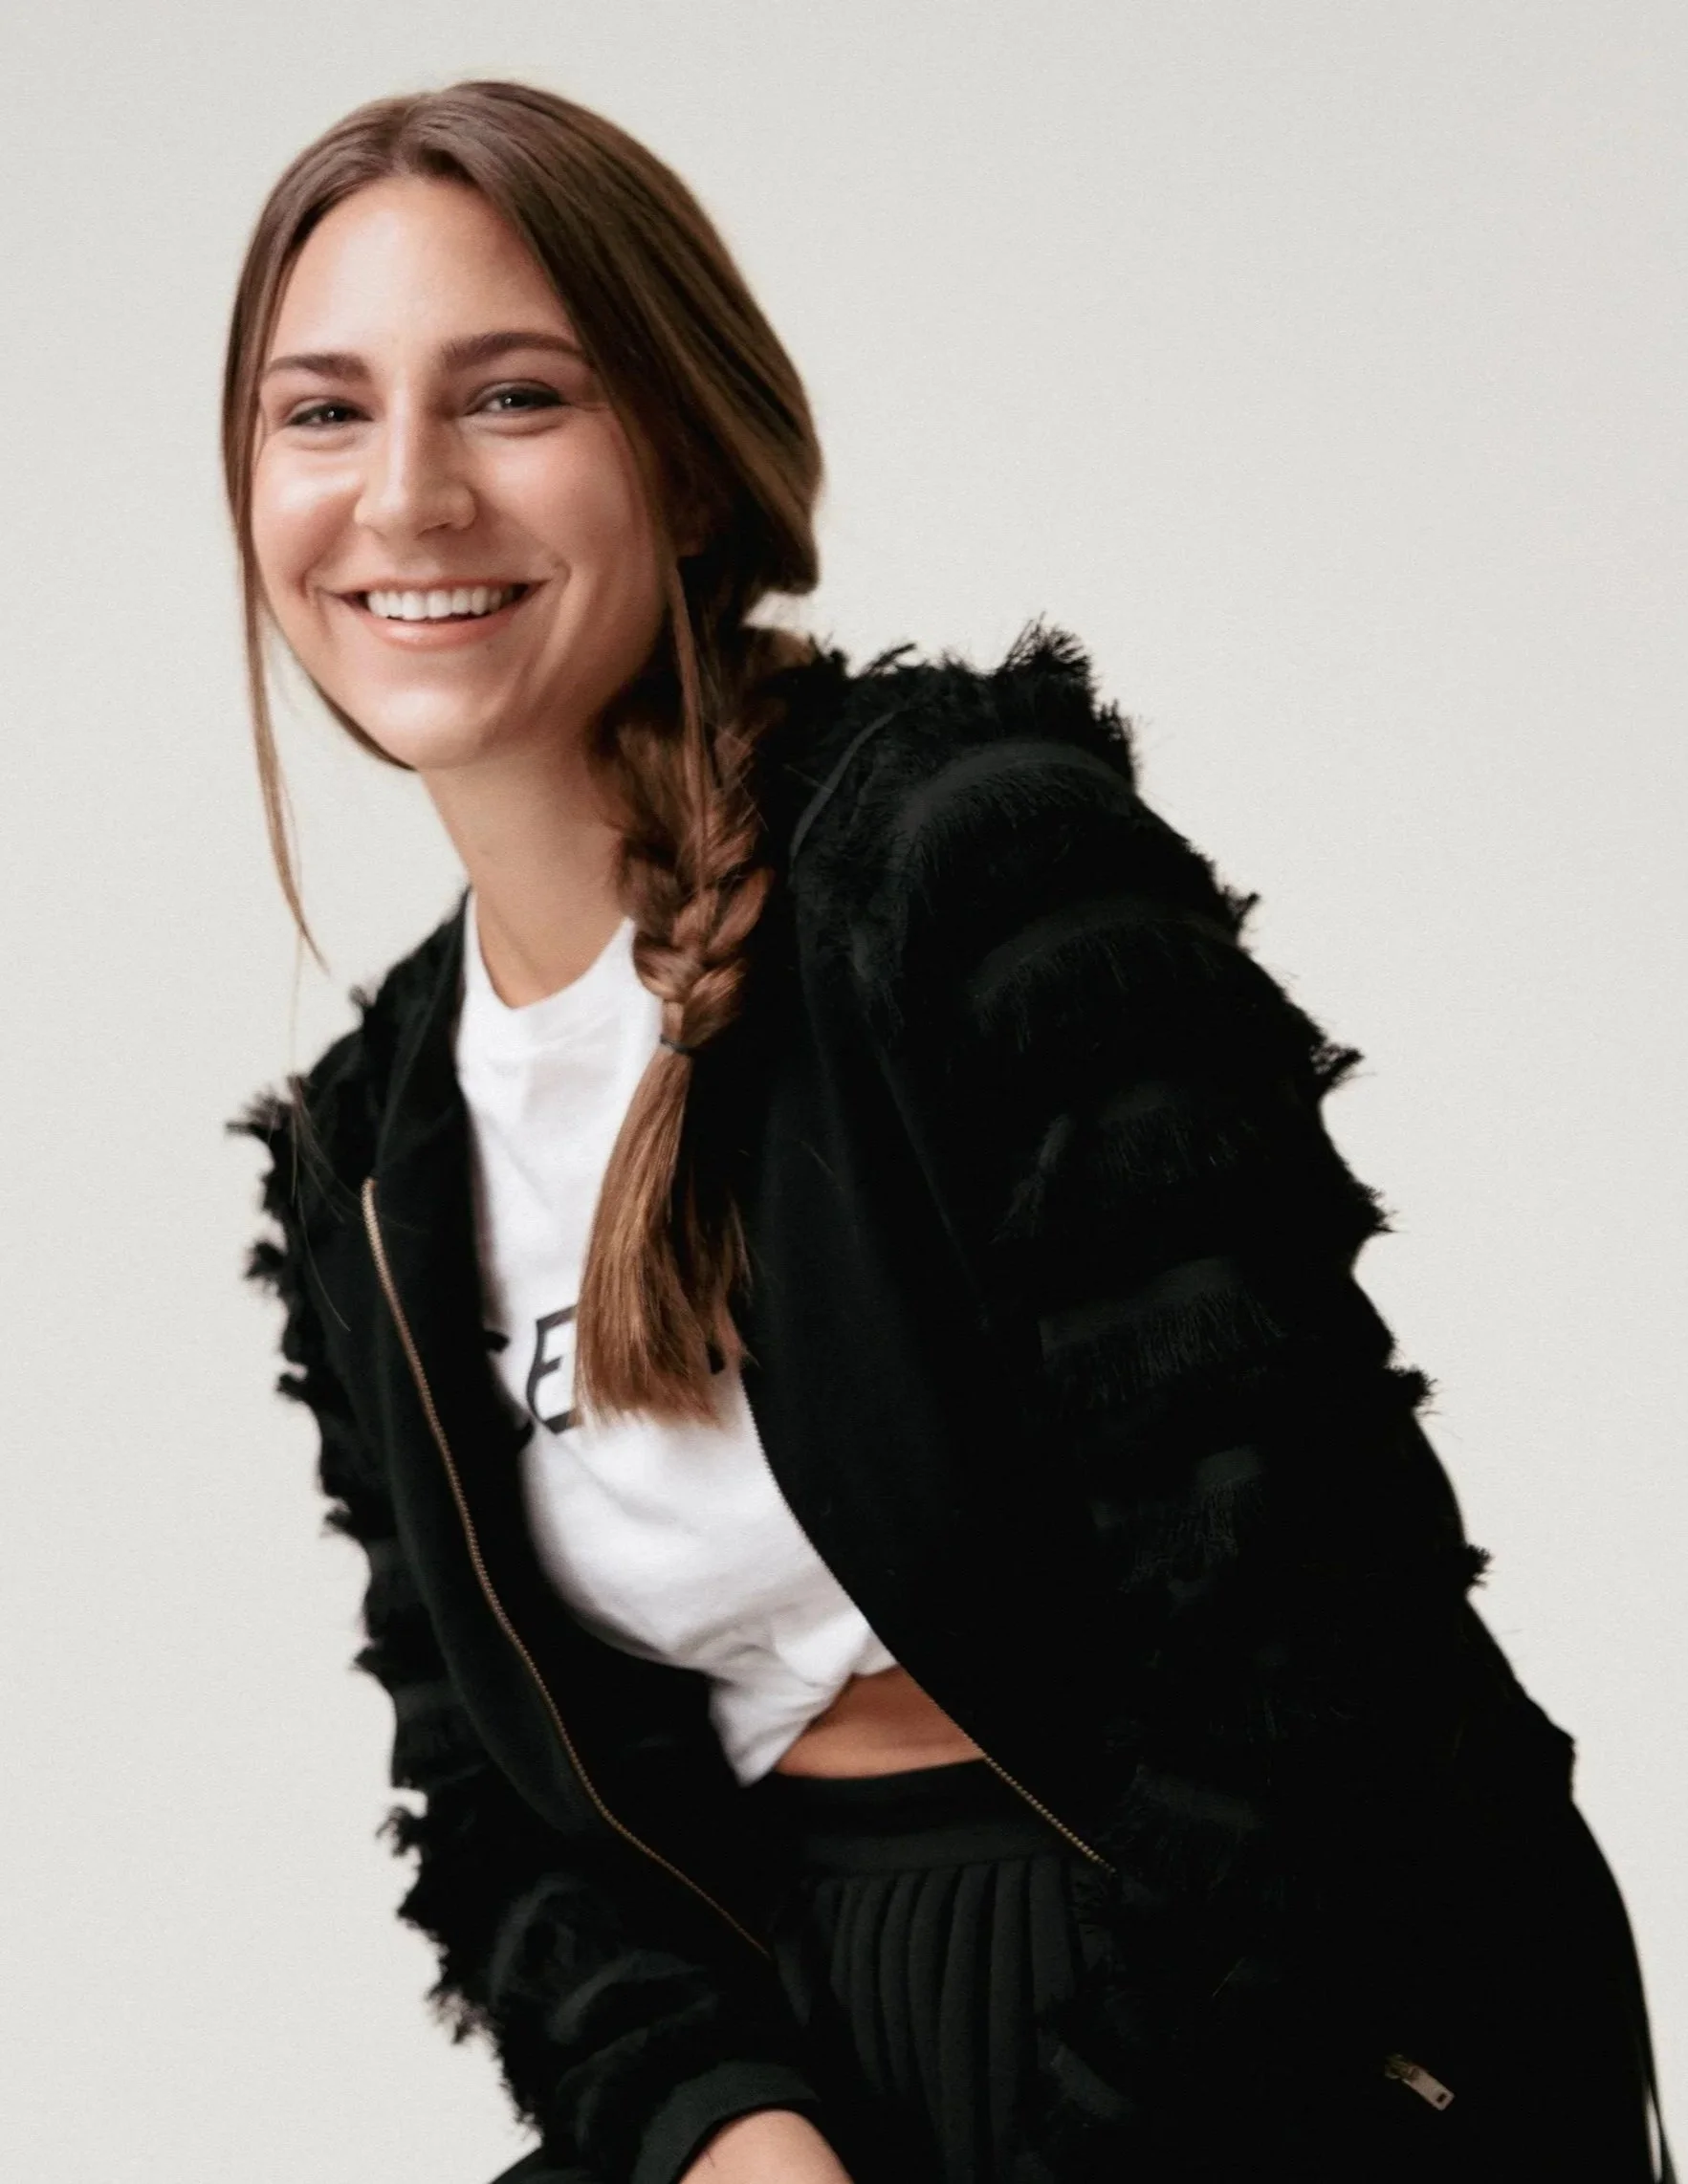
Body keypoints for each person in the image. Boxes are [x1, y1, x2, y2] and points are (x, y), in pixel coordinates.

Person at [228, 79, 1671, 2184]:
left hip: (1251, 2018)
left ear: (693, 458)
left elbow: (1299, 1634)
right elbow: (508, 1813)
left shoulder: (971, 880)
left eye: (515, 393)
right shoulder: (369, 1159)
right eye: (322, 412)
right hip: (808, 2052)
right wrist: (723, 2130)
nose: (408, 495)